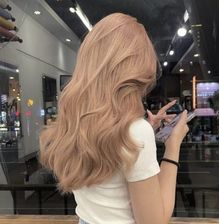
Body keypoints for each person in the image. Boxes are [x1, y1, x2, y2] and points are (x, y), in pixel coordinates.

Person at [40, 13, 189, 224]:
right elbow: (155, 221)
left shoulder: (74, 121)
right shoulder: (136, 133)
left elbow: (110, 168)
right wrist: (173, 146)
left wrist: (146, 130)